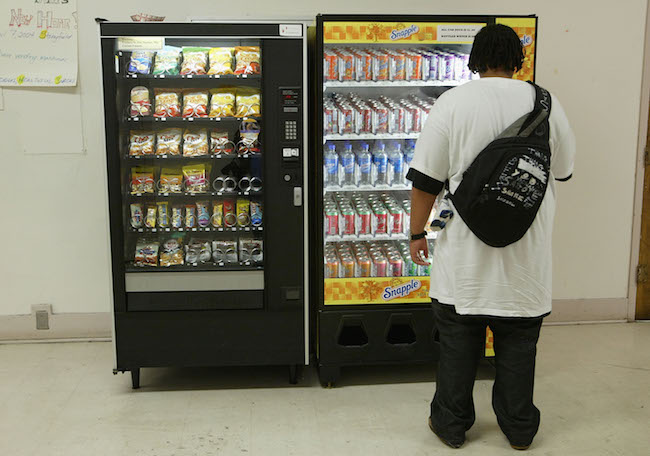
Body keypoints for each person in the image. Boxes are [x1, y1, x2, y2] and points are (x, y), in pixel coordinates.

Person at [406, 24, 576, 450]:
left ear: (474, 59)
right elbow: (564, 170)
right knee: (519, 346)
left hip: (463, 254)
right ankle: (519, 429)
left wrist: (416, 233)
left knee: (458, 343)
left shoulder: (453, 103)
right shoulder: (547, 103)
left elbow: (426, 178)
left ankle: (450, 425)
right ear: (518, 60)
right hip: (526, 257)